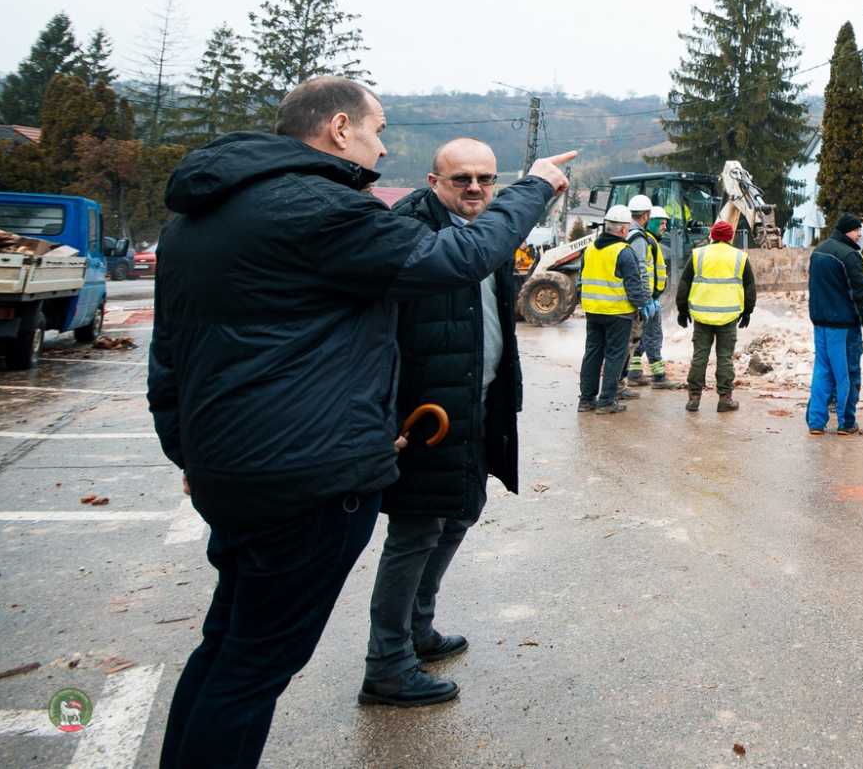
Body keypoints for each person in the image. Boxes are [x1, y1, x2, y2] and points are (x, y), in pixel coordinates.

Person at [148, 77, 572, 768]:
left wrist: (191, 455)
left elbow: (169, 358)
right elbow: (459, 257)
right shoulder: (320, 209)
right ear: (339, 127)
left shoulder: (196, 218)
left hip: (237, 472)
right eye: (377, 128)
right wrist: (534, 188)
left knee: (228, 645)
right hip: (305, 479)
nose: (381, 142)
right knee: (253, 667)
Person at [360, 138, 525, 708]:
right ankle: (386, 663)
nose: (475, 188)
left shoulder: (490, 236)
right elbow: (377, 336)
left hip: (475, 404)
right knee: (414, 532)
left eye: (485, 178)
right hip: (423, 414)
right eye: (462, 180)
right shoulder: (409, 232)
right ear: (433, 182)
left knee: (458, 516)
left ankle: (417, 631)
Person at [676, 219, 756, 411]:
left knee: (699, 357)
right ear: (730, 237)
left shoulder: (698, 255)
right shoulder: (740, 257)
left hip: (702, 317)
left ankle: (694, 398)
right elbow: (750, 287)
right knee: (725, 357)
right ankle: (725, 399)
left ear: (712, 235)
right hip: (728, 318)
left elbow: (684, 283)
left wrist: (682, 310)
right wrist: (747, 312)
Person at [579, 205, 651, 413]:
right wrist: (642, 306)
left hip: (593, 312)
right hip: (618, 314)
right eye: (627, 228)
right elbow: (634, 286)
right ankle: (607, 401)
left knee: (592, 354)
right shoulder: (624, 252)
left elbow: (582, 280)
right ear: (621, 230)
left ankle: (586, 400)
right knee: (614, 356)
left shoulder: (590, 249)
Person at [806, 213, 863, 434]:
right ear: (848, 231)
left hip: (820, 323)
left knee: (822, 372)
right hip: (843, 326)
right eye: (857, 232)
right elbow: (859, 293)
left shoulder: (819, 251)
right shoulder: (849, 255)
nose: (859, 236)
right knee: (847, 374)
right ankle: (846, 422)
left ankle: (816, 422)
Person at [624, 194, 670, 390]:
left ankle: (634, 373)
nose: (665, 227)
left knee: (641, 337)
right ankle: (659, 376)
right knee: (653, 336)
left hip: (649, 297)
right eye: (661, 223)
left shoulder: (647, 240)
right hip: (647, 298)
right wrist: (647, 299)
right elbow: (642, 269)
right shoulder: (644, 240)